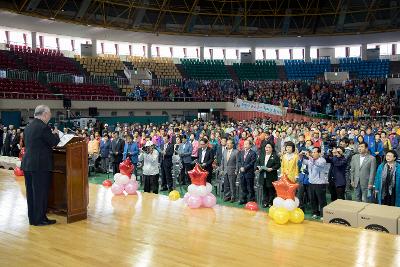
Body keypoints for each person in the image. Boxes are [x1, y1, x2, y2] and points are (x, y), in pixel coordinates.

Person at [21, 105, 60, 226]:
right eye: (49, 114)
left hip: (28, 164)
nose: (50, 116)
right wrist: (56, 134)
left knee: (31, 193)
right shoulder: (43, 127)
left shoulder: (28, 127)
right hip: (40, 165)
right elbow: (53, 142)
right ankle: (40, 220)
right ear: (44, 114)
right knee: (40, 192)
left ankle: (33, 219)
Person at [301, 147, 328, 219]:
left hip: (320, 183)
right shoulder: (310, 160)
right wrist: (300, 155)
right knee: (313, 199)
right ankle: (315, 212)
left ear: (319, 153)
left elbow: (317, 164)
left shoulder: (322, 160)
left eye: (314, 152)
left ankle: (323, 214)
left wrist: (309, 157)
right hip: (311, 182)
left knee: (321, 200)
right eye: (312, 152)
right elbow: (304, 161)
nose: (313, 154)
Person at [257, 142, 281, 208]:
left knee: (271, 189)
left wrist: (272, 168)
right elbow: (257, 163)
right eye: (266, 147)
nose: (267, 148)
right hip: (263, 175)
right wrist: (258, 167)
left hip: (271, 175)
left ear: (272, 148)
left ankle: (271, 202)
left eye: (269, 147)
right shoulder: (262, 155)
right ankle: (265, 202)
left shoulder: (275, 156)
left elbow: (278, 164)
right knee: (264, 189)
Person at [238, 140, 257, 205]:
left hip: (249, 173)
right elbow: (239, 161)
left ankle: (251, 200)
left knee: (250, 187)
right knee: (243, 187)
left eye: (246, 144)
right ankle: (244, 199)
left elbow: (252, 163)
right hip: (242, 173)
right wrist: (241, 167)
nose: (245, 145)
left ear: (250, 145)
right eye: (244, 144)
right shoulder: (241, 152)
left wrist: (245, 168)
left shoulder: (253, 153)